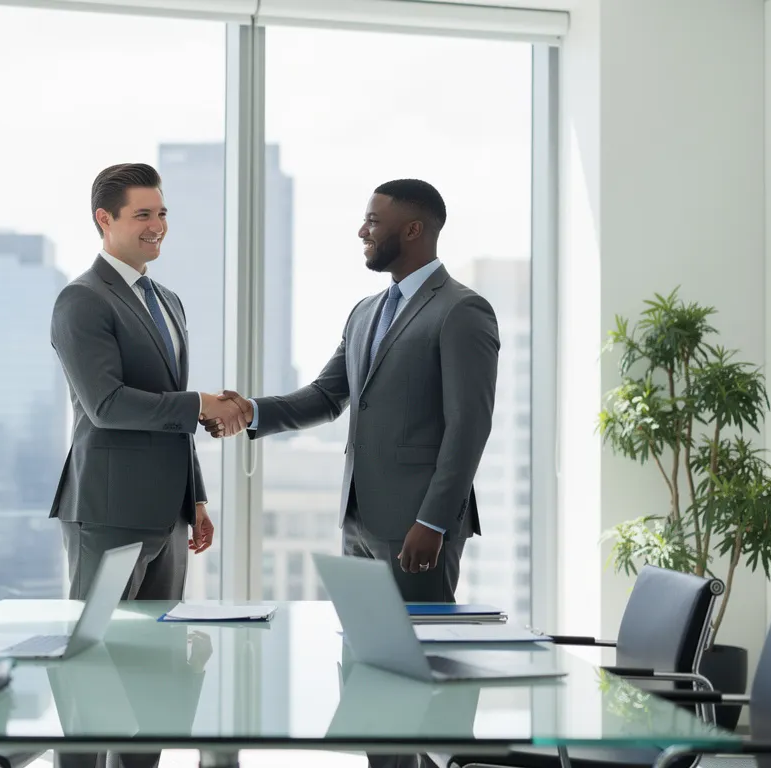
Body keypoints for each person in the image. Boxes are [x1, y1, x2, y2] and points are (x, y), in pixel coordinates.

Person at [210, 178, 499, 605]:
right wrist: (250, 410)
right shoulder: (364, 313)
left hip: (418, 525)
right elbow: (326, 397)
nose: (362, 232)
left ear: (413, 230)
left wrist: (434, 521)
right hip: (358, 521)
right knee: (362, 640)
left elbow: (469, 427)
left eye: (373, 222)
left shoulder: (461, 310)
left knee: (419, 643)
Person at [49, 162, 248, 768]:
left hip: (168, 516)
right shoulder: (82, 300)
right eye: (143, 214)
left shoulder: (169, 301)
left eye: (162, 213)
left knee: (156, 678)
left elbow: (169, 410)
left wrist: (196, 496)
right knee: (92, 679)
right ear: (104, 219)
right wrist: (201, 404)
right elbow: (106, 405)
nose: (157, 225)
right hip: (109, 512)